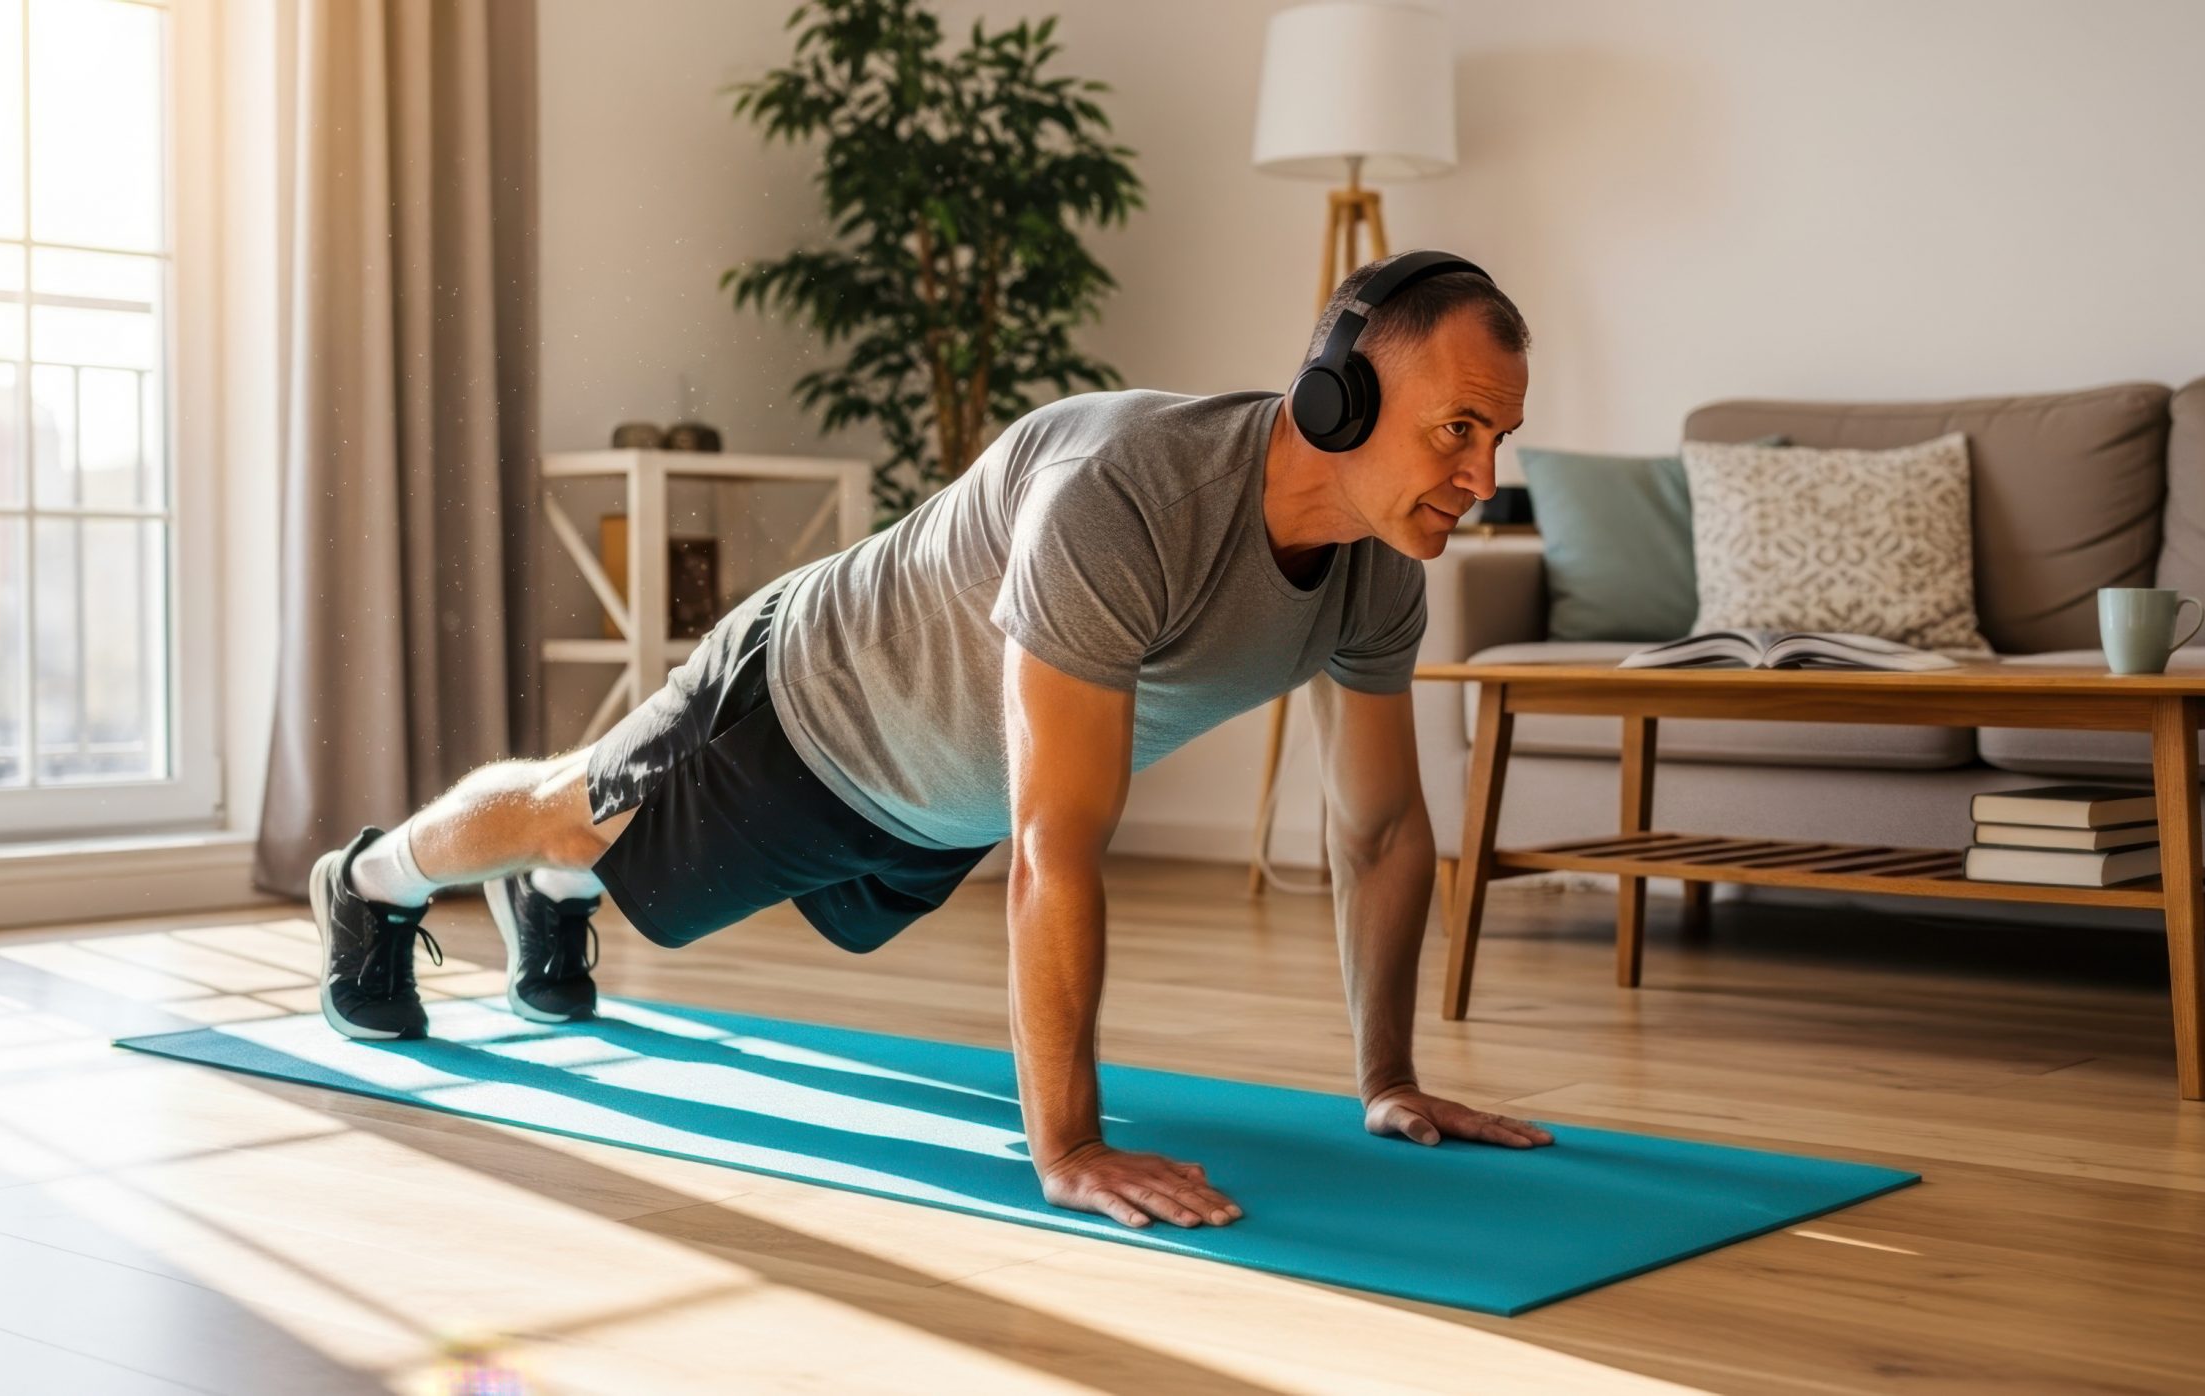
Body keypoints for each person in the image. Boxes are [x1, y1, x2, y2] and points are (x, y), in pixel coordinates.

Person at [309, 249, 1555, 1231]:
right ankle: (370, 880)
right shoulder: (1126, 495)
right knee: (576, 806)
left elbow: (1382, 826)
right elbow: (1054, 838)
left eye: (1498, 436)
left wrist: (1386, 1077)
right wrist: (1065, 1146)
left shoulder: (1381, 567)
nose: (1483, 472)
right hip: (810, 701)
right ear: (1336, 397)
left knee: (622, 861)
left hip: (928, 802)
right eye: (1457, 427)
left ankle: (559, 892)